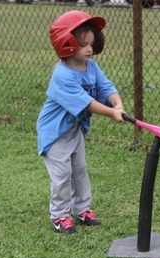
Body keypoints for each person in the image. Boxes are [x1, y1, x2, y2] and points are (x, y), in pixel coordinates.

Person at [37, 11, 126, 234]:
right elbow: (87, 103)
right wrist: (111, 113)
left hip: (74, 130)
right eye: (83, 44)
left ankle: (82, 209)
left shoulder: (90, 66)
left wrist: (118, 104)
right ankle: (59, 215)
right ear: (65, 44)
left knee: (79, 170)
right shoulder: (62, 75)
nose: (89, 49)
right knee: (62, 175)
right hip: (55, 133)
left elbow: (105, 87)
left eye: (91, 43)